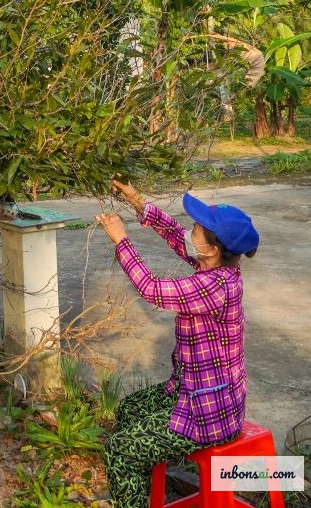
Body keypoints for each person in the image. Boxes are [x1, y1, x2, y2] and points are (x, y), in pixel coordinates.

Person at [94, 179, 259, 508]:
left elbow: (153, 289)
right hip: (191, 390)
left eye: (197, 227)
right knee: (129, 409)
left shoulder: (216, 287)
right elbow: (173, 233)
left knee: (121, 450)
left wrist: (121, 241)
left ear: (212, 248)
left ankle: (133, 476)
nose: (190, 229)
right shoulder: (215, 263)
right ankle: (142, 489)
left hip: (209, 413)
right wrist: (136, 200)